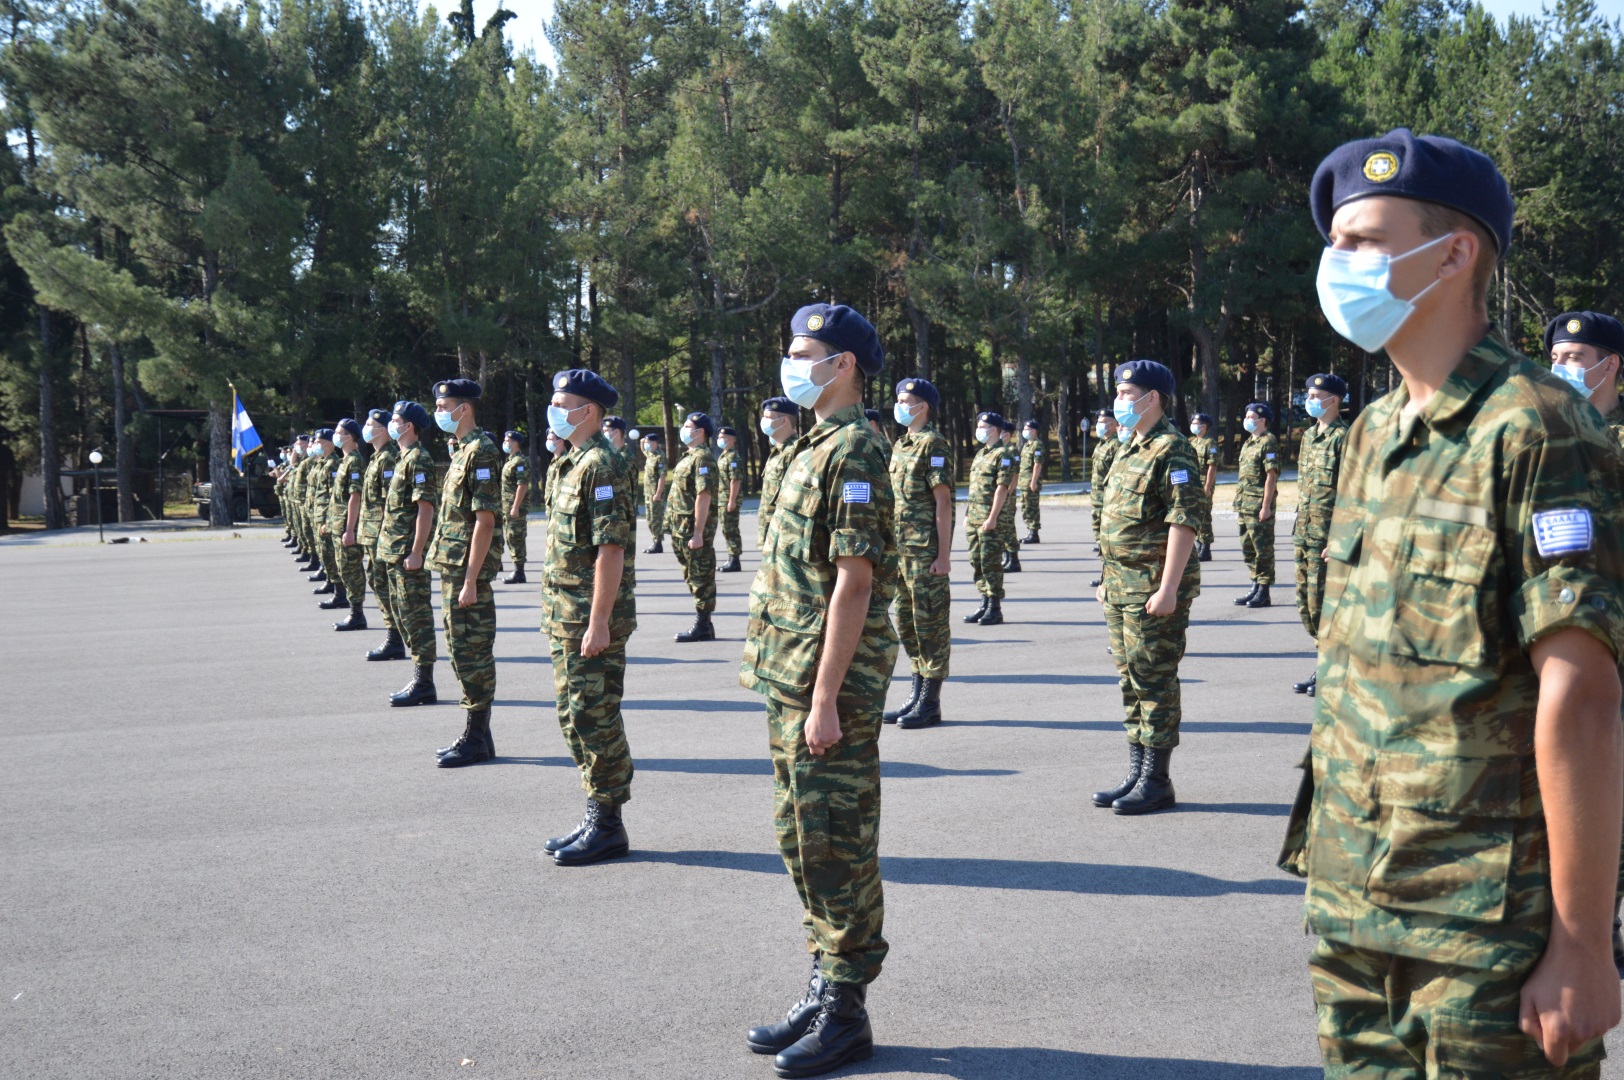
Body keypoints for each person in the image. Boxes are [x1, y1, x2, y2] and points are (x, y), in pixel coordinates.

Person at [1281, 127, 1624, 1074]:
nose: (1336, 265)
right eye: (1334, 243)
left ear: (1453, 252)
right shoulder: (1371, 434)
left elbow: (1583, 699)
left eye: (1363, 241)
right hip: (1354, 907)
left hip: (1487, 937)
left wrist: (1583, 944)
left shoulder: (1542, 428)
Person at [741, 302, 897, 1078]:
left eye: (805, 352)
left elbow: (855, 585)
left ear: (845, 365)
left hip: (827, 684)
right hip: (789, 674)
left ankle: (848, 1009)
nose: (792, 363)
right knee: (802, 839)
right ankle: (824, 978)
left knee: (835, 840)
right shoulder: (809, 447)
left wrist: (828, 697)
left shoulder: (857, 451)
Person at [1545, 311, 1624, 977]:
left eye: (1577, 353)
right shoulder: (1544, 439)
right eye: (1557, 353)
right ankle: (1586, 922)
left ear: (1611, 366)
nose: (1564, 364)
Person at [538, 369, 639, 867]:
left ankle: (609, 822)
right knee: (571, 715)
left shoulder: (602, 466)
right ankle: (594, 811)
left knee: (594, 716)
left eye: (565, 403)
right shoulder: (568, 464)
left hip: (589, 618)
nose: (555, 409)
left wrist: (599, 621)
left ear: (590, 412)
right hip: (564, 615)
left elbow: (611, 549)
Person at [1090, 360, 1201, 815]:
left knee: (1154, 680)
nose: (1119, 400)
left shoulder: (1172, 450)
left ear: (1151, 397)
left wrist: (1170, 587)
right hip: (1121, 587)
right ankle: (1136, 770)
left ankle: (1157, 779)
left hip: (1153, 590)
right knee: (1130, 680)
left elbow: (1184, 521)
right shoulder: (1128, 446)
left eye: (1127, 392)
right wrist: (1104, 578)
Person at [427, 378, 504, 768]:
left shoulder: (483, 452)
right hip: (452, 566)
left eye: (445, 406)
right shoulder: (461, 451)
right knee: (460, 651)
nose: (439, 413)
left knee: (472, 653)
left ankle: (476, 736)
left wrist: (472, 579)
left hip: (466, 571)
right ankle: (480, 735)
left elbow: (485, 521)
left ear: (465, 408)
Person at [884, 377, 953, 729]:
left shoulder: (933, 444)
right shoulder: (901, 444)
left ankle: (930, 702)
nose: (899, 404)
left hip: (925, 552)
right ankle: (915, 693)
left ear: (922, 405)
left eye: (905, 399)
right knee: (908, 625)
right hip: (901, 552)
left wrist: (944, 555)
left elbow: (943, 503)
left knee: (931, 626)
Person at [1291, 374, 1348, 696]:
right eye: (1308, 393)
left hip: (1329, 539)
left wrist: (1341, 537)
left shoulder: (1345, 438)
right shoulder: (1309, 436)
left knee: (1324, 605)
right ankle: (1325, 662)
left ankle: (1333, 669)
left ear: (1334, 400)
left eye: (1316, 394)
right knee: (1306, 605)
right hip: (1305, 533)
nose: (1310, 399)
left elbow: (1353, 492)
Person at [382, 402, 440, 708]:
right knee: (404, 616)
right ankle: (419, 678)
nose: (392, 424)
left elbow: (425, 509)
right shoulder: (403, 458)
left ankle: (424, 682)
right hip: (394, 552)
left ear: (410, 426)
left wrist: (417, 551)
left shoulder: (419, 459)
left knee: (417, 618)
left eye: (396, 420)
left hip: (408, 554)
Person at [667, 411, 720, 642]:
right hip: (681, 529)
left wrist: (698, 533)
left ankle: (703, 625)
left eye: (688, 426)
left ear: (700, 432)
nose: (684, 429)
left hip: (693, 530)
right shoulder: (688, 456)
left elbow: (704, 495)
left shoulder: (703, 459)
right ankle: (703, 623)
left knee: (701, 577)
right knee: (692, 576)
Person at [360, 409, 405, 661]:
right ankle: (394, 635)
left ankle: (395, 638)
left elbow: (391, 500)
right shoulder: (378, 457)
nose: (366, 428)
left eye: (371, 424)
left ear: (384, 430)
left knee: (384, 586)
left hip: (381, 534)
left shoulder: (388, 459)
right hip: (372, 532)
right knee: (377, 582)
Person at [963, 411, 1014, 625]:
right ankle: (983, 602)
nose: (979, 429)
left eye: (982, 426)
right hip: (975, 518)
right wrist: (967, 513)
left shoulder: (1003, 455)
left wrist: (993, 517)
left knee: (991, 562)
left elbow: (1002, 488)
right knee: (977, 562)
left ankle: (995, 607)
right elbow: (974, 488)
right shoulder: (981, 453)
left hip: (989, 519)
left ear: (993, 429)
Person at [1547, 312, 1624, 448]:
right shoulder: (1546, 428)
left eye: (1573, 358)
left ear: (1609, 365)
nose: (1557, 368)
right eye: (1554, 359)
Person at [1232, 403, 1279, 608]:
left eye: (1251, 416)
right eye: (1246, 415)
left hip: (1259, 505)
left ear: (1262, 420)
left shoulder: (1268, 442)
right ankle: (1255, 585)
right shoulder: (1249, 443)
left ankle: (1264, 590)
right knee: (1248, 547)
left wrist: (1266, 506)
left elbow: (1271, 476)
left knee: (1263, 549)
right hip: (1244, 504)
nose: (1247, 419)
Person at [326, 418, 369, 629]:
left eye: (338, 432)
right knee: (344, 569)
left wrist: (350, 529)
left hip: (346, 526)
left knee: (351, 570)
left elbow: (355, 496)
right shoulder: (345, 460)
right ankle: (353, 610)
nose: (335, 435)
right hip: (338, 525)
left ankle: (357, 614)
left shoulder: (355, 462)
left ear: (349, 436)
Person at [757, 396, 798, 547]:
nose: (764, 421)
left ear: (783, 421)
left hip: (785, 535)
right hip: (771, 531)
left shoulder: (795, 452)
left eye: (768, 417)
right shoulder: (778, 452)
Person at [1088, 409, 1120, 587]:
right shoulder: (1101, 444)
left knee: (1108, 541)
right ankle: (1105, 575)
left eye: (1105, 422)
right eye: (1099, 421)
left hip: (1108, 502)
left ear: (1115, 425)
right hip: (1097, 500)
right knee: (1100, 540)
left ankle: (1109, 578)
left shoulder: (1117, 445)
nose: (1100, 425)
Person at [308, 429, 340, 600]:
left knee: (330, 555)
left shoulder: (333, 464)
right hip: (318, 515)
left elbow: (334, 496)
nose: (314, 445)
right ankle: (331, 581)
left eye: (318, 442)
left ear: (328, 443)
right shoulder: (322, 463)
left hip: (326, 518)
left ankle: (339, 592)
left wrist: (328, 520)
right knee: (324, 553)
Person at [500, 430, 531, 585]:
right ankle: (517, 570)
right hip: (507, 507)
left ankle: (519, 572)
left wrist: (515, 507)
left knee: (516, 538)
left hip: (514, 509)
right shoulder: (510, 460)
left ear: (515, 443)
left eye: (508, 441)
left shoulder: (520, 461)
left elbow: (522, 485)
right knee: (511, 538)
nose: (505, 443)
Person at [1187, 413, 1218, 562]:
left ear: (1204, 426)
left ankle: (1205, 548)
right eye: (1192, 422)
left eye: (1196, 423)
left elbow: (1212, 466)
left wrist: (1207, 487)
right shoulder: (1193, 442)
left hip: (1203, 484)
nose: (1193, 425)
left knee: (1204, 516)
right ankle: (1198, 544)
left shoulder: (1210, 443)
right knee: (1195, 516)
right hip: (1192, 484)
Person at [717, 425, 745, 573]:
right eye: (719, 437)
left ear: (731, 439)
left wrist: (732, 501)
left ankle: (735, 560)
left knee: (731, 529)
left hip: (729, 498)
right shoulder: (724, 455)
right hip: (722, 498)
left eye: (723, 437)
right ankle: (731, 558)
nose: (720, 440)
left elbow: (735, 480)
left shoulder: (733, 457)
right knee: (726, 529)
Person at [641, 430, 669, 554]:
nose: (647, 444)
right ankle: (655, 540)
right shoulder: (650, 454)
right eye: (646, 442)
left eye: (649, 442)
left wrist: (658, 493)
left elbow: (662, 477)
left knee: (656, 519)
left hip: (655, 493)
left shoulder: (660, 456)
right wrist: (642, 441)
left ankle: (658, 543)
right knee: (649, 518)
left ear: (655, 443)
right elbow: (643, 448)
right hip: (647, 492)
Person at [1018, 419, 1045, 544]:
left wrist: (1033, 481)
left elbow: (1037, 464)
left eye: (1027, 429)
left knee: (1031, 507)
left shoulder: (1037, 445)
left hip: (1030, 481)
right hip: (1023, 482)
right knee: (1025, 507)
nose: (1024, 431)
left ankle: (1034, 533)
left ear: (1034, 431)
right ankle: (1030, 531)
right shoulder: (1027, 445)